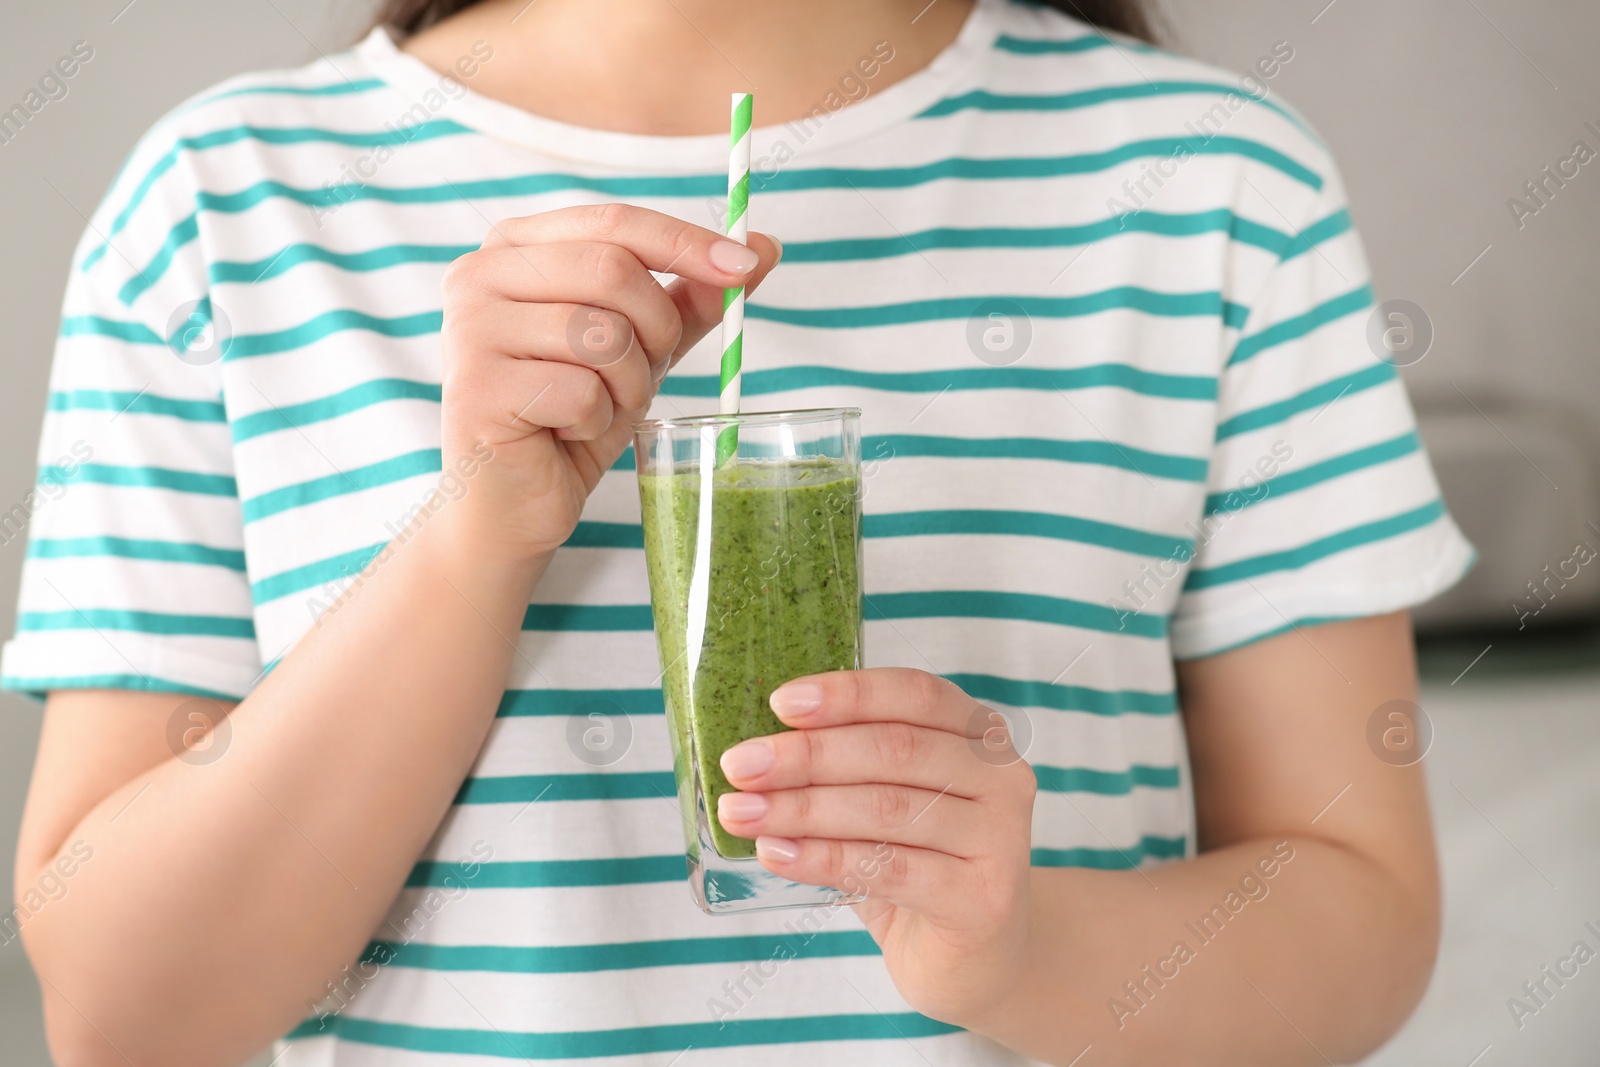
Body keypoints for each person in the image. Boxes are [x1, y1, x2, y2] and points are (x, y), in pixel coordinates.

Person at [6, 0, 1474, 1064]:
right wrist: (475, 540)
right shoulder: (225, 206)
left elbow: (1360, 927)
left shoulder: (1217, 187)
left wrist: (1022, 955)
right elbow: (131, 1016)